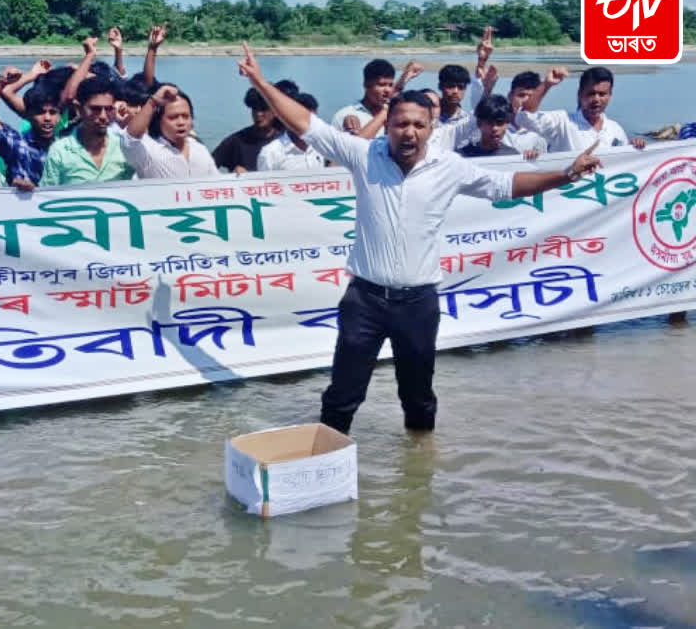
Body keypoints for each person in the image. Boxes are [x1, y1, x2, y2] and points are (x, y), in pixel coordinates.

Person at [237, 42, 604, 435]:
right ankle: (326, 468)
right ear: (388, 125)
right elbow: (307, 125)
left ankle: (419, 474)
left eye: (418, 125)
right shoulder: (364, 155)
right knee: (342, 396)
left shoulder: (449, 167)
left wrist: (565, 174)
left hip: (418, 304)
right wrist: (260, 81)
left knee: (418, 398)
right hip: (365, 301)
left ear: (431, 128)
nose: (408, 132)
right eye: (400, 124)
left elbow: (507, 184)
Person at [516, 66, 647, 153]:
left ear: (610, 95)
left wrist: (634, 147)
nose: (596, 99)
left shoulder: (615, 129)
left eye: (602, 94)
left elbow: (625, 164)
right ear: (580, 94)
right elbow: (524, 118)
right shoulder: (562, 122)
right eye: (591, 93)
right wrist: (546, 84)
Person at [0, 66, 60, 190]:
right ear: (28, 115)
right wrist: (1, 82)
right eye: (40, 112)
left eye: (53, 112)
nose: (47, 118)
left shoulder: (66, 147)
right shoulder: (17, 145)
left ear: (60, 115)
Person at [40, 78, 136, 186]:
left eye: (109, 109)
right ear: (78, 109)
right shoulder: (60, 152)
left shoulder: (124, 147)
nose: (103, 116)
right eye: (96, 109)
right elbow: (45, 193)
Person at [122, 84, 217, 179]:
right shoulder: (148, 151)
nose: (181, 122)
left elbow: (218, 183)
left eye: (185, 116)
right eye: (173, 118)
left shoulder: (200, 149)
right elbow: (129, 139)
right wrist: (153, 102)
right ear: (159, 121)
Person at [211, 86, 282, 174]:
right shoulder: (235, 141)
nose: (258, 114)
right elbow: (207, 167)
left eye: (263, 109)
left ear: (275, 110)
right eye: (254, 109)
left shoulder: (285, 141)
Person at [258, 88, 326, 171]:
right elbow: (263, 183)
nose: (309, 124)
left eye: (313, 119)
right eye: (304, 119)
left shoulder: (321, 147)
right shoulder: (270, 153)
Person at [457, 95, 544, 159]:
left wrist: (531, 158)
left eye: (500, 123)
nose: (495, 128)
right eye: (489, 123)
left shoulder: (513, 156)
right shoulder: (462, 155)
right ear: (479, 123)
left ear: (507, 124)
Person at [331, 59, 396, 134]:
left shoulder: (394, 115)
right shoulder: (344, 116)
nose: (387, 90)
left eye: (390, 85)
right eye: (381, 85)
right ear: (366, 85)